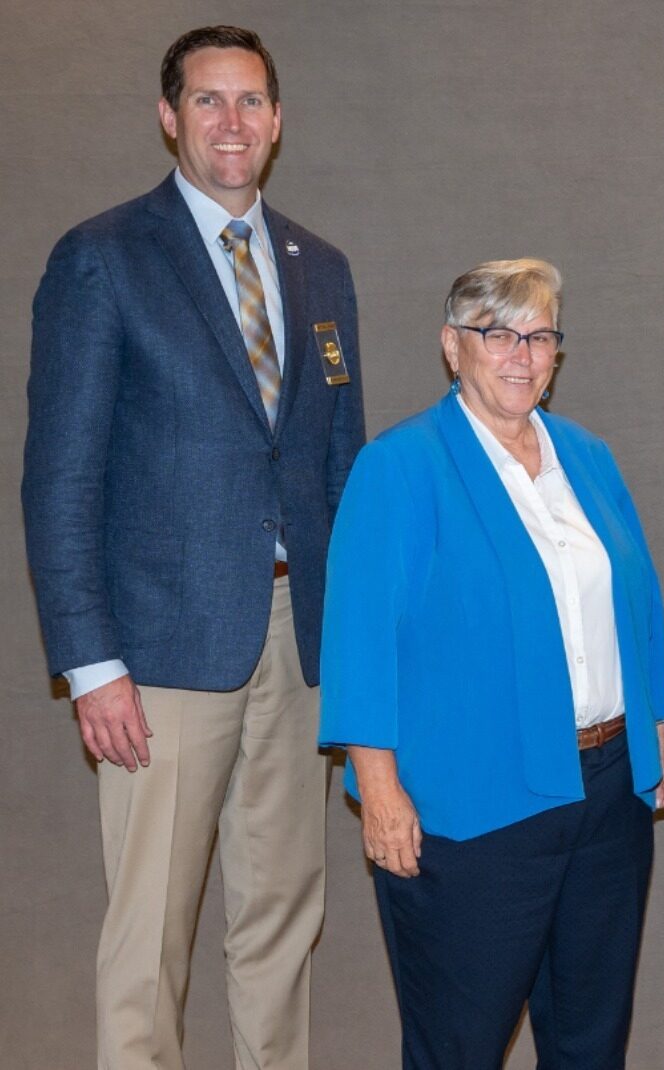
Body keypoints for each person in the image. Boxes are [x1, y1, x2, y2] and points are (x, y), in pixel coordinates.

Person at [20, 25, 364, 1068]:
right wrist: (92, 663)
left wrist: (351, 643)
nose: (231, 121)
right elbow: (60, 477)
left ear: (278, 120)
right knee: (149, 936)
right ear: (169, 116)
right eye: (207, 100)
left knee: (283, 917)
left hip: (297, 644)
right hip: (160, 651)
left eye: (250, 100)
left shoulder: (321, 269)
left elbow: (339, 471)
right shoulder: (104, 257)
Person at [318, 259, 664, 1067]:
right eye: (498, 334)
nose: (522, 354)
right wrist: (377, 788)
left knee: (590, 1043)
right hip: (471, 808)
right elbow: (359, 637)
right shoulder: (401, 466)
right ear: (453, 347)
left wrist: (657, 730)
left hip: (606, 797)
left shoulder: (587, 456)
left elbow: (635, 595)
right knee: (460, 1046)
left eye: (540, 336)